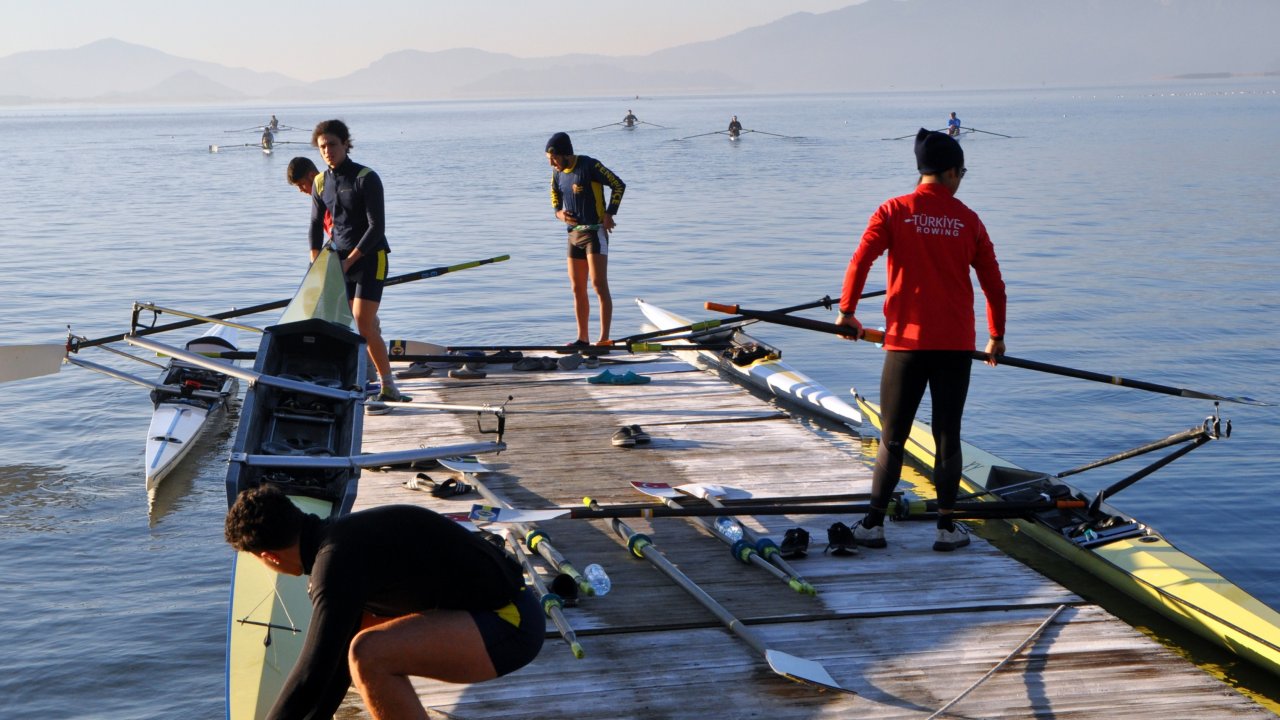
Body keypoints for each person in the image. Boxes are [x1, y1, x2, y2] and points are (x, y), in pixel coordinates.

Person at [225, 485, 544, 720]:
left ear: (269, 556)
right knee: (357, 643)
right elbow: (332, 671)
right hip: (496, 613)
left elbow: (311, 674)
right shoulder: (340, 543)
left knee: (368, 655)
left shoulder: (335, 565)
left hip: (511, 623)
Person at [836, 128, 1006, 553]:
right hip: (955, 347)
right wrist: (996, 336)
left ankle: (873, 525)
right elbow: (994, 285)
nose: (961, 180)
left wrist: (847, 311)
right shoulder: (969, 220)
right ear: (950, 172)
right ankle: (947, 529)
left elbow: (860, 260)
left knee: (893, 436)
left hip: (905, 345)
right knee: (948, 435)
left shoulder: (894, 210)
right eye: (962, 172)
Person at [308, 119, 403, 411]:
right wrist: (316, 263)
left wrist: (350, 261)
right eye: (322, 147)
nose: (327, 151)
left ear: (346, 144)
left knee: (363, 323)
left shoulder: (366, 177)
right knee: (348, 325)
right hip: (339, 261)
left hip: (371, 257)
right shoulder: (320, 182)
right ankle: (356, 381)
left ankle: (389, 387)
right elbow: (315, 226)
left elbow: (377, 227)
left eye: (332, 145)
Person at [545, 131, 625, 346]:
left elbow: (618, 185)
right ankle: (583, 338)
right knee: (577, 288)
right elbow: (555, 194)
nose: (551, 163)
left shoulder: (589, 165)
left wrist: (609, 214)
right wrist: (558, 213)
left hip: (594, 233)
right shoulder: (557, 173)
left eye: (554, 158)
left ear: (565, 154)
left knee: (598, 285)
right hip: (573, 235)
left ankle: (604, 339)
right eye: (549, 159)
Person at [286, 156, 332, 236]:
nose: (300, 190)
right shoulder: (319, 200)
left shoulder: (330, 197)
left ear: (312, 176)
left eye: (301, 185)